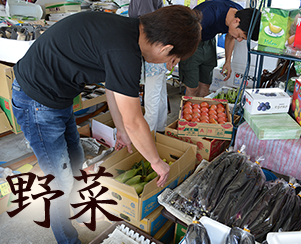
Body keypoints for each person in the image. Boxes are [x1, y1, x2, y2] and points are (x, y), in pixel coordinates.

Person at [11, 6, 202, 244]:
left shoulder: (127, 32)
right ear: (165, 48)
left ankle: (78, 210)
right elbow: (135, 120)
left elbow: (114, 87)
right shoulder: (124, 50)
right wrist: (156, 162)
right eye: (172, 59)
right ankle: (67, 239)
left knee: (76, 161)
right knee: (58, 180)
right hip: (36, 100)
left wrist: (121, 129)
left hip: (57, 98)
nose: (170, 65)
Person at [179, 0, 261, 97]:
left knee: (205, 85)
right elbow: (187, 34)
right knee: (192, 87)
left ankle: (202, 111)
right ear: (236, 21)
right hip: (191, 41)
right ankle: (188, 111)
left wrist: (227, 61)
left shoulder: (241, 14)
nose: (239, 40)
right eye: (240, 36)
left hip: (209, 41)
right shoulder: (208, 13)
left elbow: (230, 37)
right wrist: (176, 54)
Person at [129, 0, 168, 133]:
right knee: (159, 92)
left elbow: (147, 27)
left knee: (152, 96)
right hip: (159, 49)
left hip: (152, 51)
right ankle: (160, 128)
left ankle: (148, 134)